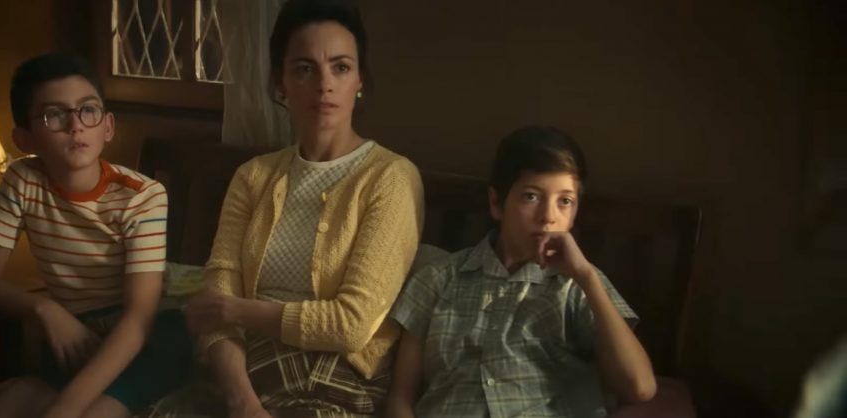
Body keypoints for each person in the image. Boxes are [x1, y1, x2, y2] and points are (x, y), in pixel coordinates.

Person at [182, 0, 424, 416]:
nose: (324, 84)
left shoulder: (390, 178)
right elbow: (216, 299)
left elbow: (351, 325)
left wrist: (238, 310)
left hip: (336, 377)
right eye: (305, 68)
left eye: (340, 67)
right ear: (280, 81)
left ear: (360, 80)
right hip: (242, 371)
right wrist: (242, 402)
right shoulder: (253, 177)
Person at [0, 52, 191, 418]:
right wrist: (45, 309)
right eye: (54, 115)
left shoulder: (142, 195)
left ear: (107, 127)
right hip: (75, 335)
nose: (75, 126)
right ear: (24, 139)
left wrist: (64, 409)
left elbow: (138, 320)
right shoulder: (22, 180)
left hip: (146, 338)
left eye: (88, 110)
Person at [385, 126, 657, 418]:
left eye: (565, 201)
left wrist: (586, 277)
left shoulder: (577, 285)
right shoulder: (437, 279)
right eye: (531, 196)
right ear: (496, 203)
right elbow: (400, 399)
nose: (548, 216)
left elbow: (639, 387)